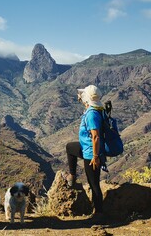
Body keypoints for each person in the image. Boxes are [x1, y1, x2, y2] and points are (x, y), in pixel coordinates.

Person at [64, 85, 104, 221]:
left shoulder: (92, 114)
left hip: (91, 154)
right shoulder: (96, 110)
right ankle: (72, 175)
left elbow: (96, 136)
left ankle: (99, 213)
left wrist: (96, 156)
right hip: (87, 149)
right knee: (70, 147)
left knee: (93, 183)